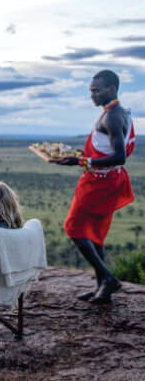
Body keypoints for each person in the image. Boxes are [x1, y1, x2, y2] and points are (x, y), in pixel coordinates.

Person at [51, 69, 135, 304]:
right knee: (95, 235)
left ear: (112, 89)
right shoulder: (114, 113)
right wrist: (78, 155)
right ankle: (101, 286)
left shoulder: (113, 116)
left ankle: (108, 279)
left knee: (74, 227)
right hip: (108, 181)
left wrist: (81, 161)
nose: (92, 95)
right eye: (91, 91)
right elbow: (106, 150)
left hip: (100, 183)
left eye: (96, 91)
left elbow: (119, 157)